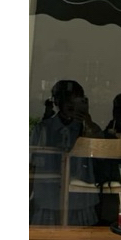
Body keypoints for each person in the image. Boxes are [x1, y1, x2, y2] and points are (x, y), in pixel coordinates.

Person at [29, 79, 103, 225]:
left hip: (80, 198)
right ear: (58, 102)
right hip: (48, 197)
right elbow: (30, 165)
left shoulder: (86, 129)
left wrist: (88, 123)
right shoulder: (43, 129)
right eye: (67, 101)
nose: (71, 106)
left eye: (76, 102)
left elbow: (102, 154)